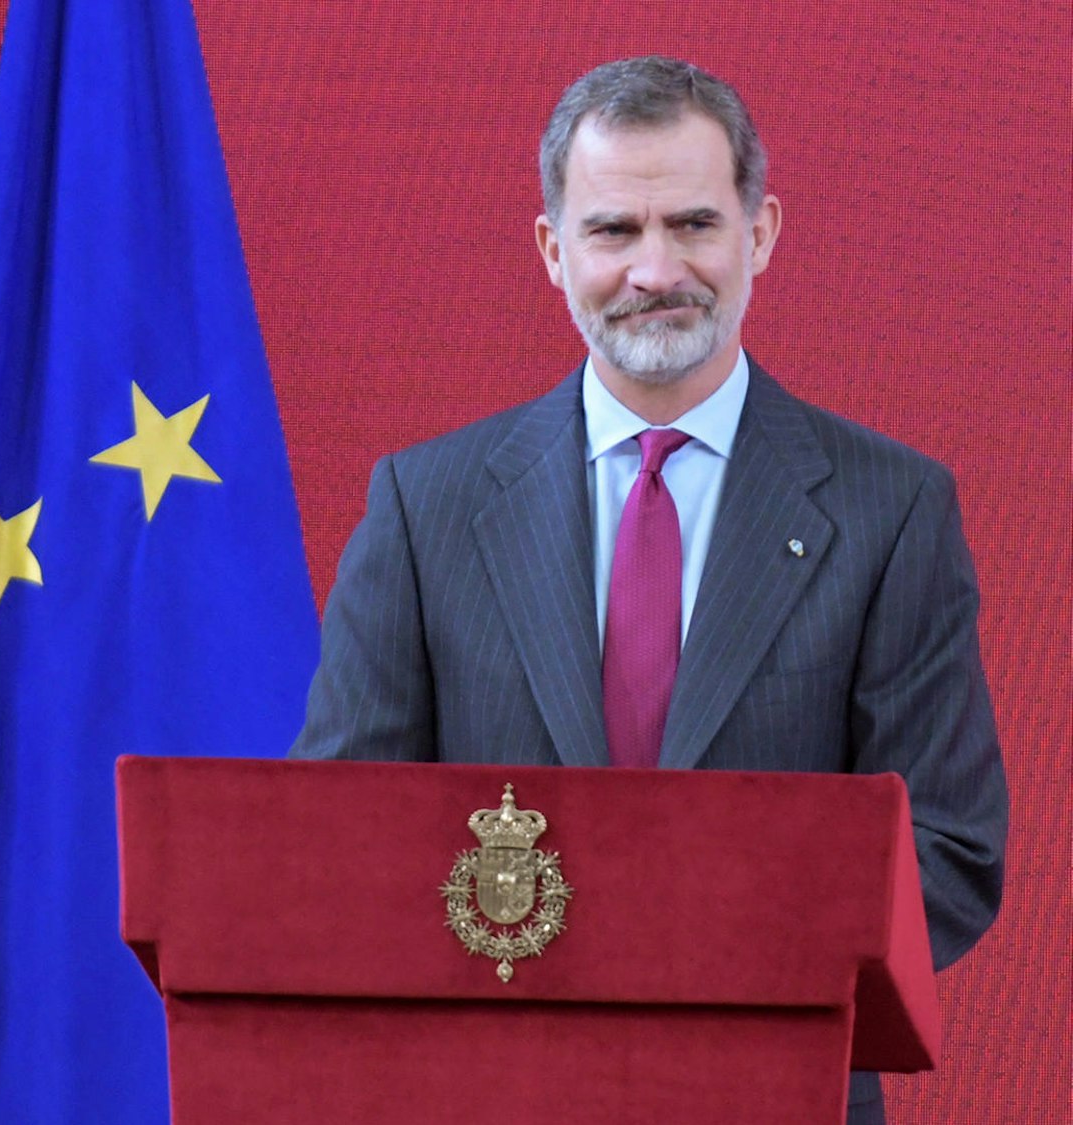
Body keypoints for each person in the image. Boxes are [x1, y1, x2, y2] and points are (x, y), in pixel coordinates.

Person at [287, 55, 1006, 1125]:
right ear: (551, 249)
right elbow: (339, 836)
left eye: (692, 225)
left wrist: (701, 956)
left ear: (758, 234)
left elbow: (946, 851)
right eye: (613, 230)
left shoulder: (890, 510)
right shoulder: (421, 505)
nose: (654, 269)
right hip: (485, 1097)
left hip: (776, 1096)